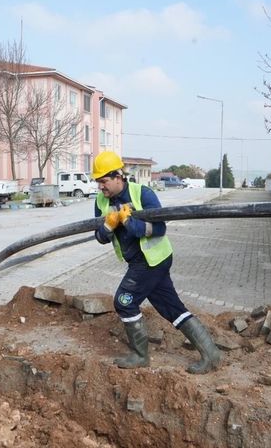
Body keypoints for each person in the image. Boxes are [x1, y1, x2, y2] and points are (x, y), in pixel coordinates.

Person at [91, 151, 221, 374]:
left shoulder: (142, 194)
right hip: (137, 262)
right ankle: (211, 354)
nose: (101, 187)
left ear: (118, 176)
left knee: (124, 301)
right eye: (98, 182)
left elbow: (160, 228)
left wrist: (129, 222)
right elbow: (100, 237)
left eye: (104, 181)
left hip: (152, 260)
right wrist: (108, 227)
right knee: (170, 307)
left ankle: (140, 356)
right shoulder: (101, 201)